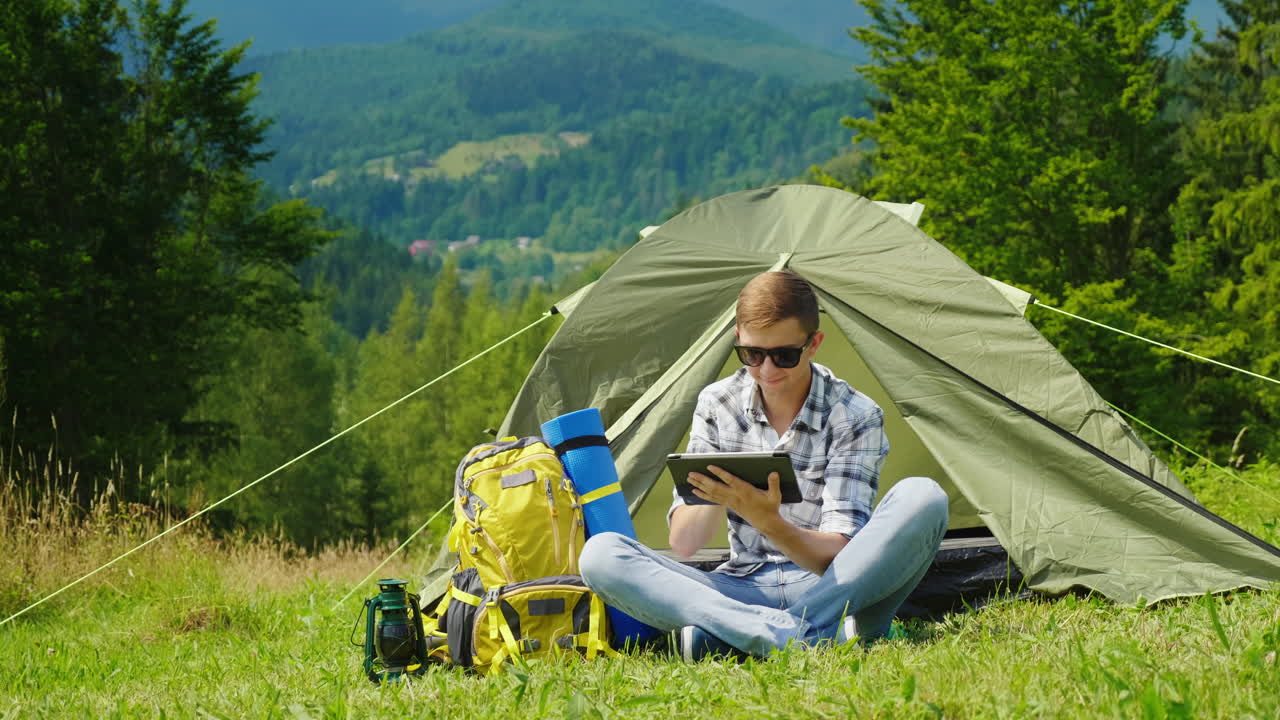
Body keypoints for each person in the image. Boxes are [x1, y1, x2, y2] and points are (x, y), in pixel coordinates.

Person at [578, 270, 949, 660]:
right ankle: (798, 635)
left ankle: (740, 636)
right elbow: (685, 545)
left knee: (923, 496)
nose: (768, 370)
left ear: (814, 344)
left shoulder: (854, 414)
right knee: (600, 555)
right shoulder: (717, 403)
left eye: (784, 356)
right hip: (741, 586)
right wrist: (720, 493)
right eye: (753, 355)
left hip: (833, 585)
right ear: (738, 340)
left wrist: (767, 520)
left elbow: (842, 558)